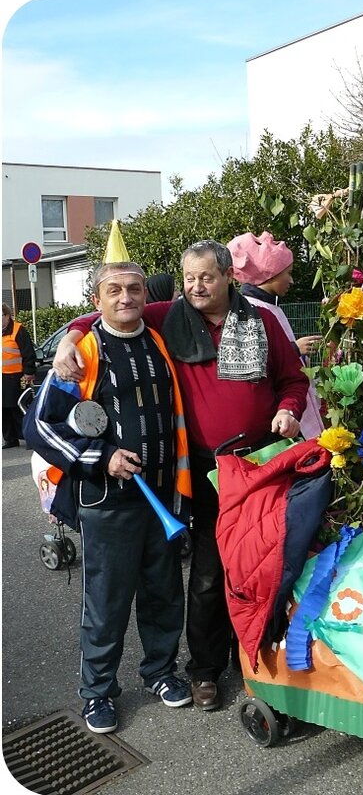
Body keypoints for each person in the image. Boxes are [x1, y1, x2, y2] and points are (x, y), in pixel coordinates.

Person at [52, 239, 309, 713]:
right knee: (209, 573)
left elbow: (294, 379)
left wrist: (290, 409)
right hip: (207, 469)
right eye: (188, 277)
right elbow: (112, 311)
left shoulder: (264, 320)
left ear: (230, 276)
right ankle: (205, 669)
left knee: (266, 563)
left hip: (262, 462)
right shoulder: (169, 314)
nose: (195, 286)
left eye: (206, 277)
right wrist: (69, 336)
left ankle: (258, 656)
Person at [23, 258, 193, 734]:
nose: (126, 298)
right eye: (114, 290)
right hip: (106, 502)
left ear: (146, 295)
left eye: (134, 289)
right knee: (106, 601)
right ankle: (97, 692)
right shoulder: (80, 353)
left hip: (162, 496)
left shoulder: (159, 339)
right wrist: (99, 457)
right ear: (96, 299)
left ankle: (160, 671)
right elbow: (37, 427)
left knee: (163, 593)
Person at [227, 230, 323, 439]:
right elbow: (253, 360)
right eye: (287, 274)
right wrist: (294, 349)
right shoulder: (250, 309)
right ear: (269, 274)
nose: (292, 280)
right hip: (279, 416)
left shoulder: (270, 306)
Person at [2, 302, 36, 449]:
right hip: (2, 377)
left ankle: (30, 438)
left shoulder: (18, 330)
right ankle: (10, 439)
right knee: (3, 411)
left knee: (18, 409)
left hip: (17, 377)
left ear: (7, 315)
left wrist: (29, 372)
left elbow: (28, 353)